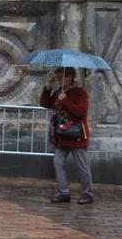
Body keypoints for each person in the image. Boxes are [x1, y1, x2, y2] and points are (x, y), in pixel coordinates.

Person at [39, 67, 92, 204]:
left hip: (76, 135)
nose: (58, 80)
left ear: (70, 77)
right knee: (58, 163)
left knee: (82, 166)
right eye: (57, 77)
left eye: (60, 77)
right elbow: (45, 104)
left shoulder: (80, 93)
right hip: (61, 135)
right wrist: (48, 89)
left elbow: (80, 112)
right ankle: (63, 192)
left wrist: (65, 100)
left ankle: (87, 194)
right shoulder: (58, 92)